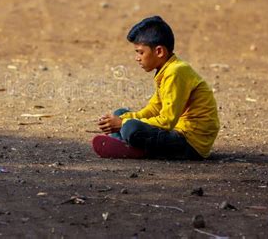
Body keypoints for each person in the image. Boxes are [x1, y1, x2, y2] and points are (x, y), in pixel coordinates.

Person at [93, 15, 220, 160]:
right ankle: (128, 144)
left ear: (159, 51)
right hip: (176, 133)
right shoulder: (166, 70)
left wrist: (123, 123)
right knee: (120, 112)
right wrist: (121, 118)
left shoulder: (175, 72)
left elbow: (167, 121)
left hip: (190, 143)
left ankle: (131, 146)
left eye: (141, 52)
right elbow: (153, 109)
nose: (137, 58)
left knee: (130, 128)